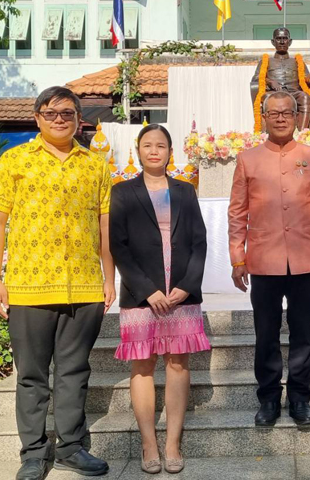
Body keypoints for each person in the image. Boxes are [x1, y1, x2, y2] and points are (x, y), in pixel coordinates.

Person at [0, 86, 115, 480]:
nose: (60, 119)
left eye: (68, 113)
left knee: (75, 371)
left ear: (79, 119)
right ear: (37, 117)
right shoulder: (14, 161)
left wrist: (110, 278)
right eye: (51, 112)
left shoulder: (95, 165)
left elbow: (103, 224)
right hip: (28, 286)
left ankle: (71, 448)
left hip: (85, 287)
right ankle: (34, 453)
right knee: (32, 375)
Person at [228, 91, 310, 428]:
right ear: (263, 117)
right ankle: (269, 399)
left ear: (296, 117)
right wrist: (237, 257)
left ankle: (301, 398)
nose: (279, 118)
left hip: (306, 259)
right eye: (273, 112)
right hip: (263, 259)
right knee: (266, 333)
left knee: (303, 332)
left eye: (286, 112)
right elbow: (237, 212)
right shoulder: (248, 159)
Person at [110, 124, 210, 475]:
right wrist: (146, 289)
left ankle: (172, 444)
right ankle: (149, 443)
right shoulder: (122, 192)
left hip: (180, 293)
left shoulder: (185, 191)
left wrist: (187, 284)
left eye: (161, 145)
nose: (154, 151)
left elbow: (199, 241)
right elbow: (117, 245)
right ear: (138, 151)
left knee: (178, 364)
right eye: (148, 145)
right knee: (143, 366)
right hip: (141, 296)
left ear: (171, 151)